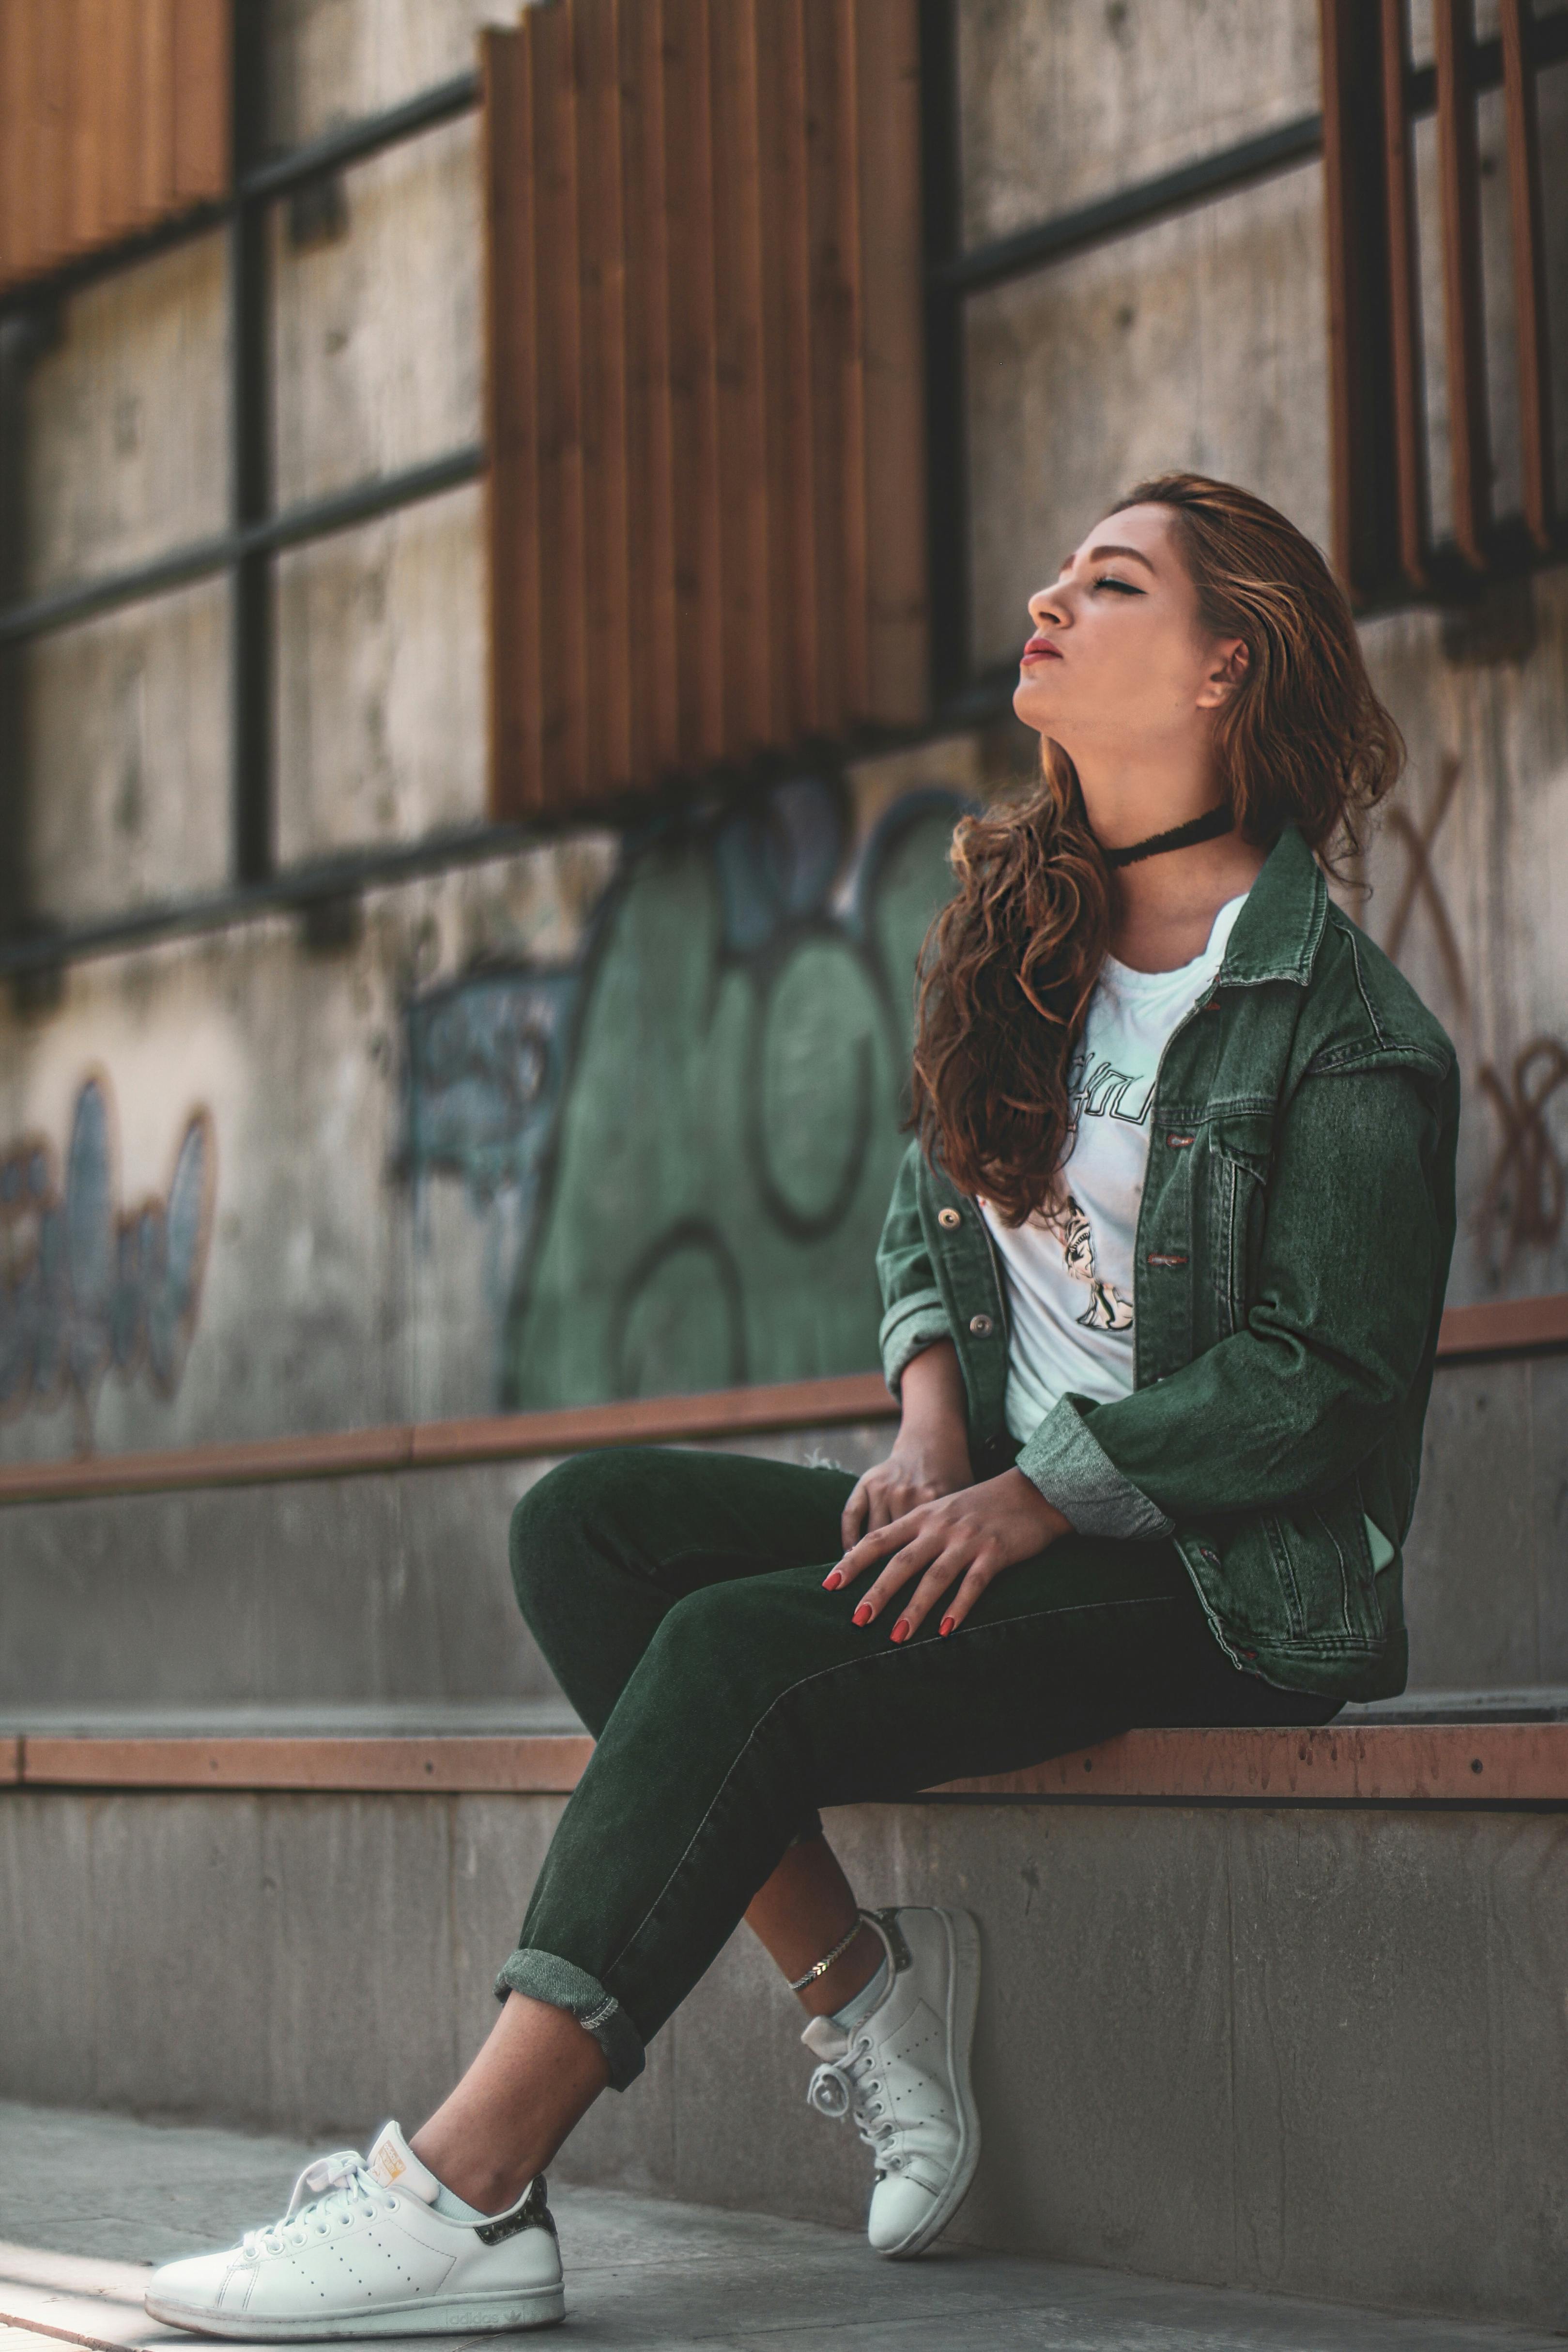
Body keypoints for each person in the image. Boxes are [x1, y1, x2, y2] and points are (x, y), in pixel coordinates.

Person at [145, 474, 1458, 2339]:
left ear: (1226, 665)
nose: (1047, 597)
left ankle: (468, 2189)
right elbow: (937, 1198)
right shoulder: (1030, 928)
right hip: (1003, 1499)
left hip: (1225, 1581)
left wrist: (1040, 1495)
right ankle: (869, 1994)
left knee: (736, 1651)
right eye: (1061, 570)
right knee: (584, 1530)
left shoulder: (1350, 1030)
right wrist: (934, 1415)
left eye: (1109, 580)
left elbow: (1323, 1388)